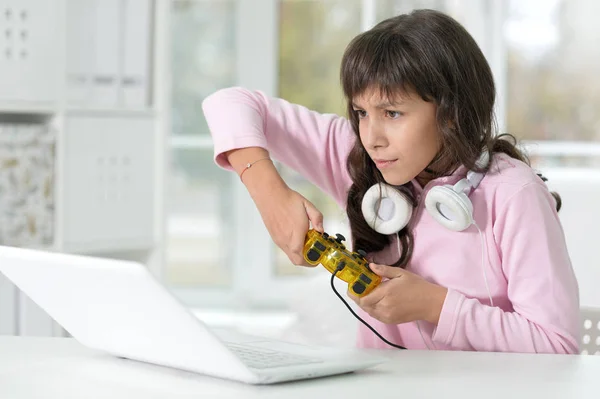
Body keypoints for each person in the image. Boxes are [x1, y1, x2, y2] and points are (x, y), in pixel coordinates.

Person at [202, 9, 580, 353]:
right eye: (361, 112)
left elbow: (557, 346)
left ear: (452, 113)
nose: (372, 137)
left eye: (393, 112)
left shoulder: (514, 193)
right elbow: (229, 103)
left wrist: (435, 305)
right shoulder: (357, 157)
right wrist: (270, 195)